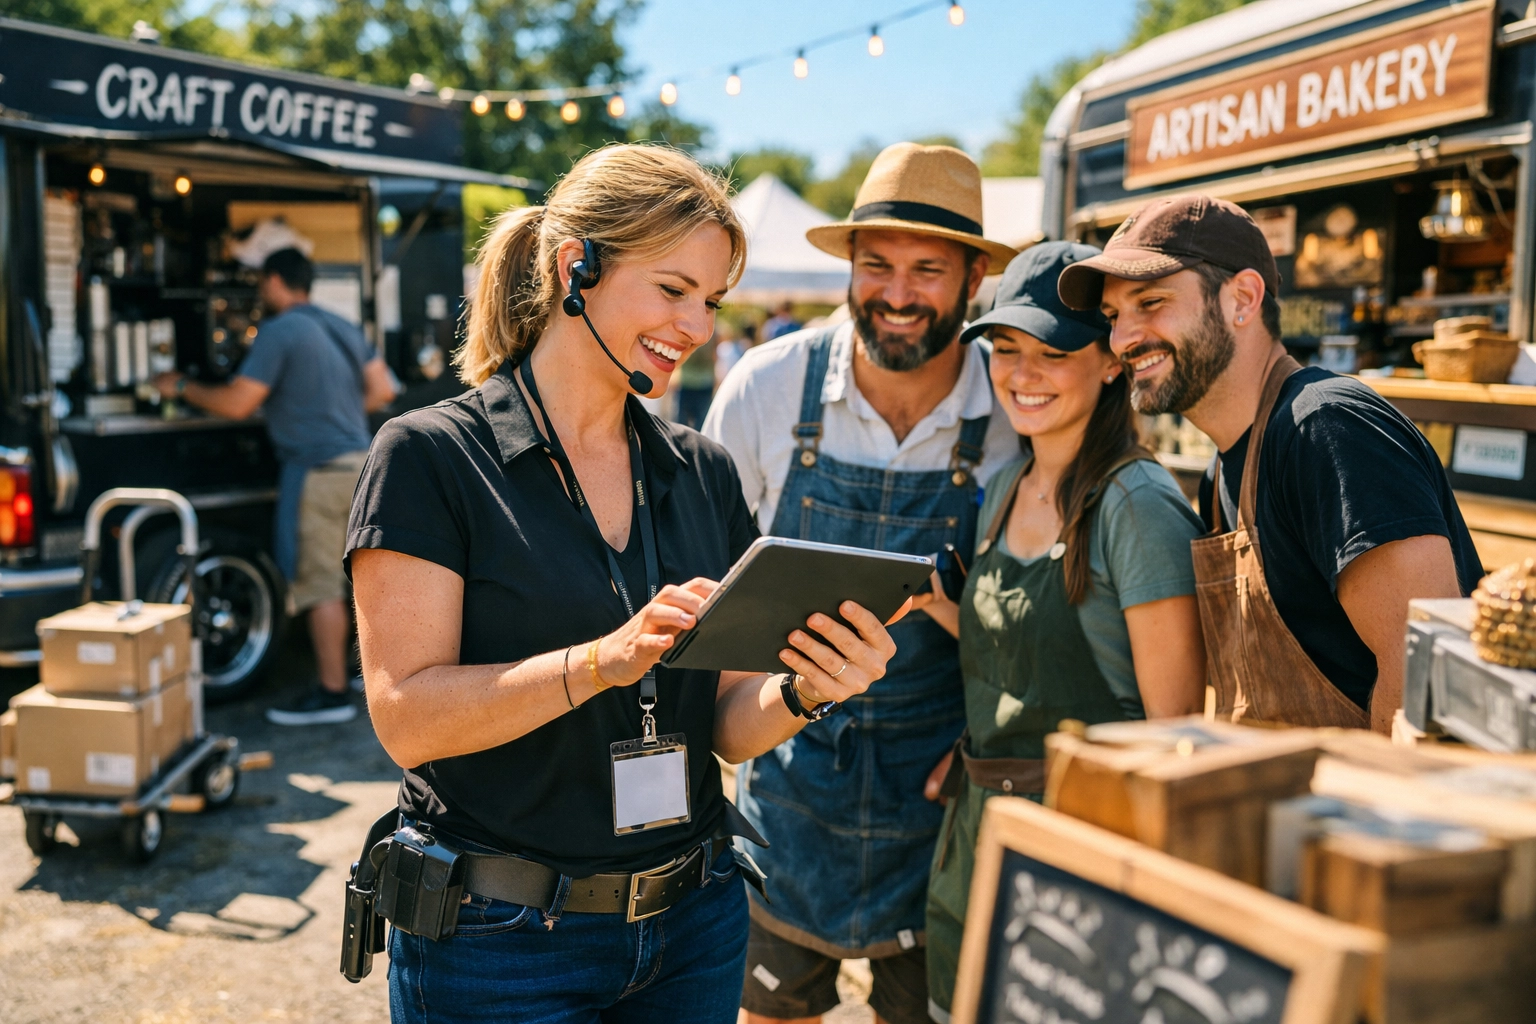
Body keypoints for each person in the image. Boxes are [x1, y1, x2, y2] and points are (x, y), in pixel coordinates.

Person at [346, 144, 902, 1024]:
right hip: (497, 943)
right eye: (673, 289)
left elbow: (727, 727)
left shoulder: (703, 470)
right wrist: (600, 662)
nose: (698, 326)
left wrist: (807, 688)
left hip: (695, 922)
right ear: (577, 268)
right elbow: (406, 720)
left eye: (711, 300)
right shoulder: (428, 457)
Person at [704, 142, 1021, 1024]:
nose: (897, 292)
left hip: (940, 791)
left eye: (928, 270)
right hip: (789, 777)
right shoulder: (768, 389)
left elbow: (1037, 614)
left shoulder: (1014, 409)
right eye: (876, 264)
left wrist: (993, 741)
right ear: (848, 266)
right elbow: (702, 579)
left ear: (974, 279)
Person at [914, 243, 1207, 1022]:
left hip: (1080, 857)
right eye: (1006, 350)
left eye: (1053, 353)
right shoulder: (1005, 487)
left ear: (1110, 363)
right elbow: (1014, 647)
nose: (1023, 374)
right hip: (977, 838)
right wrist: (929, 606)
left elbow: (1176, 730)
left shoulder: (1136, 505)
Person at [1058, 195, 1482, 733]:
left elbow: (1422, 673)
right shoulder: (1220, 473)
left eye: (1151, 301)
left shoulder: (1326, 428)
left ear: (1243, 298)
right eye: (1114, 316)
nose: (1123, 338)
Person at [152, 247, 397, 726]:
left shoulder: (280, 330)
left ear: (276, 282)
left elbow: (238, 403)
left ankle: (331, 694)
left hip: (318, 472)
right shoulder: (342, 325)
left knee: (318, 586)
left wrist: (179, 386)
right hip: (362, 466)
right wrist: (336, 412)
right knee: (357, 579)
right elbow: (383, 389)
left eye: (263, 283)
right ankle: (361, 676)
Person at [675, 328, 719, 428]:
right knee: (701, 423)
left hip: (687, 381)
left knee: (681, 423)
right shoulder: (714, 332)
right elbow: (715, 356)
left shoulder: (686, 327)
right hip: (705, 382)